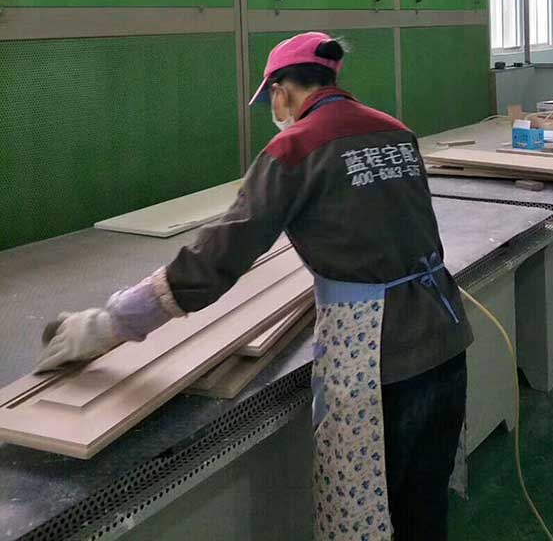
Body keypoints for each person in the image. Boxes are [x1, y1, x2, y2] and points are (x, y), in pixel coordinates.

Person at [36, 32, 472, 541]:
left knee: (368, 510)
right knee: (423, 507)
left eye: (272, 100)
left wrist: (110, 324)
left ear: (282, 91)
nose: (274, 110)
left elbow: (220, 256)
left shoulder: (294, 148)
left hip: (378, 355)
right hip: (444, 333)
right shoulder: (394, 131)